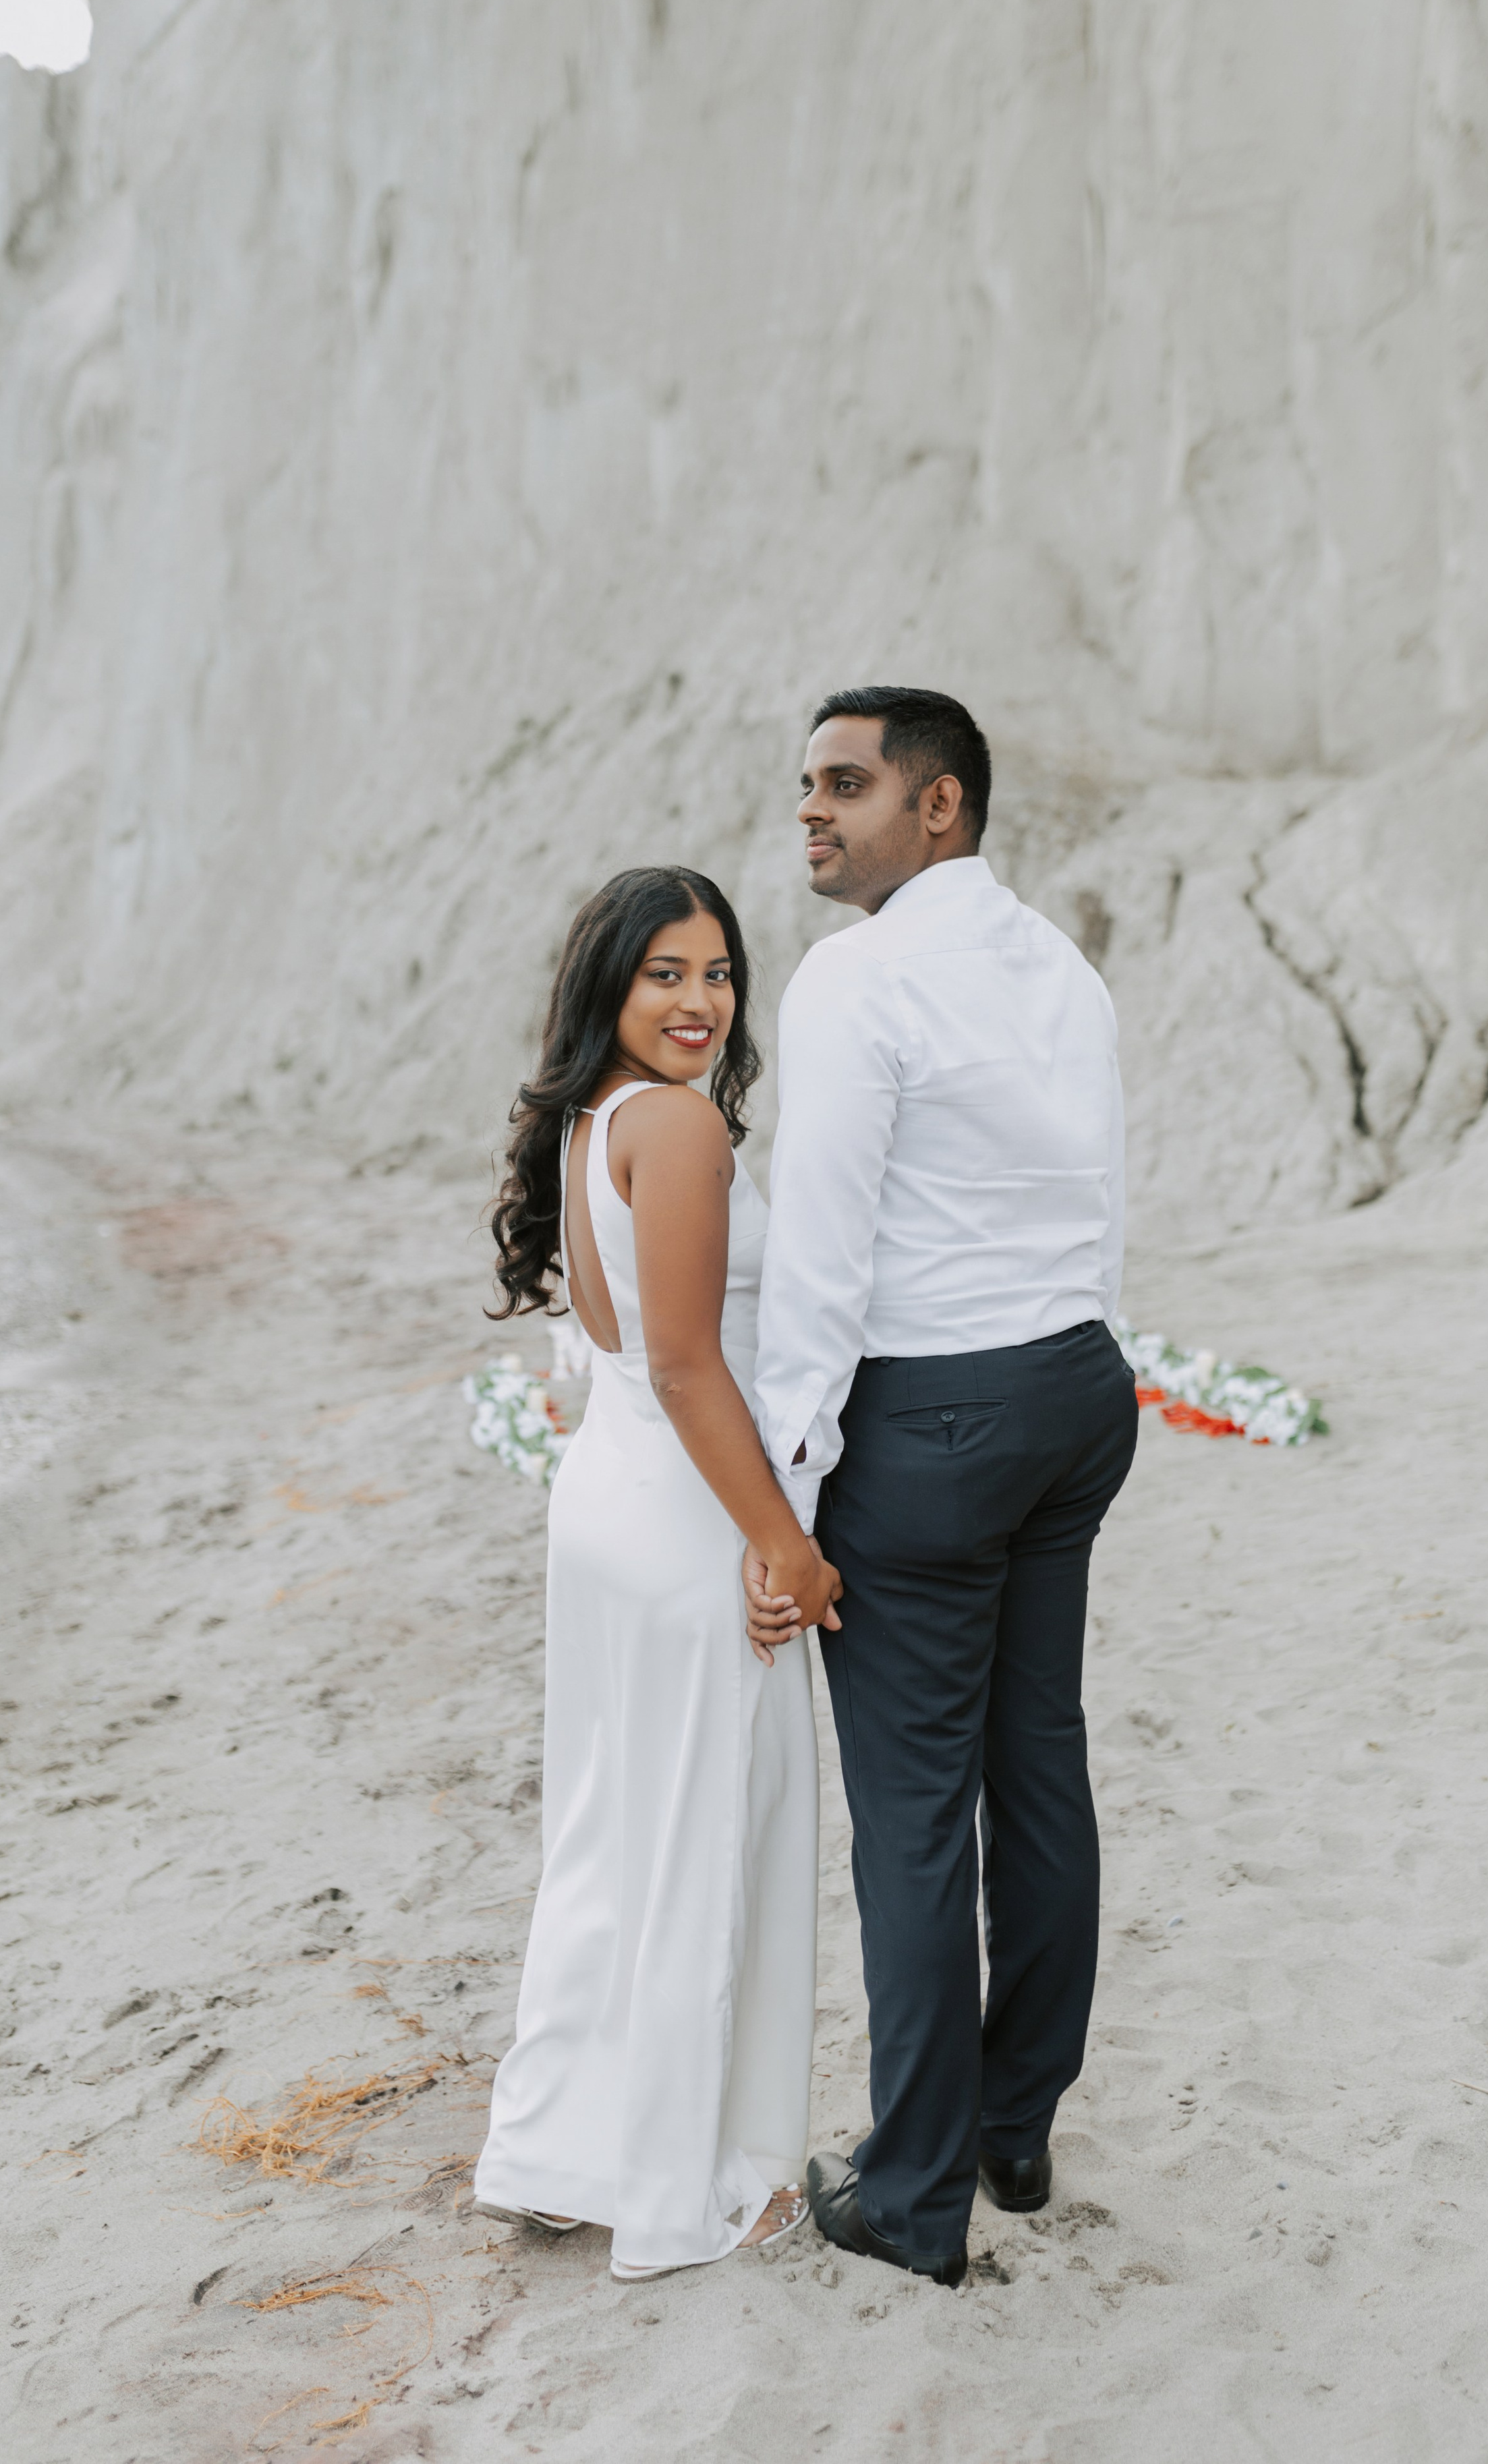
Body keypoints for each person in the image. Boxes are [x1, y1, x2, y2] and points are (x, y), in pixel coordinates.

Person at [747, 688, 1138, 2289]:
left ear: (942, 806)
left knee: (912, 1818)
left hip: (934, 1420)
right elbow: (1096, 1189)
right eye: (804, 788)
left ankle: (912, 2199)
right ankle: (1009, 2128)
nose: (812, 813)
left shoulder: (856, 976)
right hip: (1071, 1384)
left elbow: (824, 1262)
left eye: (846, 783)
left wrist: (781, 1493)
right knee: (1035, 1759)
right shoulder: (1057, 963)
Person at [471, 866, 838, 2283]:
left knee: (611, 1837)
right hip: (686, 1511)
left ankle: (553, 2149)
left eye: (718, 973)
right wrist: (783, 1545)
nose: (699, 1002)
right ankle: (691, 2191)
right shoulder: (677, 1127)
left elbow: (630, 1359)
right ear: (608, 989)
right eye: (664, 975)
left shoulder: (587, 1120)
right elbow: (689, 1366)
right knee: (698, 1845)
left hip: (608, 1503)